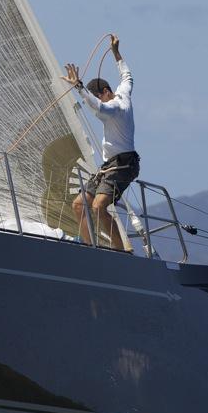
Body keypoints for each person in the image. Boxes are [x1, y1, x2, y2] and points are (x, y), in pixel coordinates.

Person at [61, 35, 139, 252]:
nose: (99, 101)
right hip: (109, 166)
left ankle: (119, 252)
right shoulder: (124, 92)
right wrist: (116, 53)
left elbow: (100, 108)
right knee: (79, 204)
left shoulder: (114, 107)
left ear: (105, 92)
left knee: (98, 206)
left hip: (125, 164)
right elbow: (127, 76)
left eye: (100, 97)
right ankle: (90, 250)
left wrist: (79, 88)